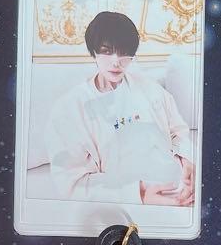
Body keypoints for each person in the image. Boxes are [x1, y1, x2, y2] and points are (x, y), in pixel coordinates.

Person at [46, 11, 196, 206]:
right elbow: (71, 184)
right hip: (127, 204)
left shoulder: (150, 89)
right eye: (107, 51)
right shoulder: (69, 109)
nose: (116, 61)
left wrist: (187, 160)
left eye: (124, 52)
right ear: (94, 52)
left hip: (180, 191)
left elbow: (179, 132)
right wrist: (140, 194)